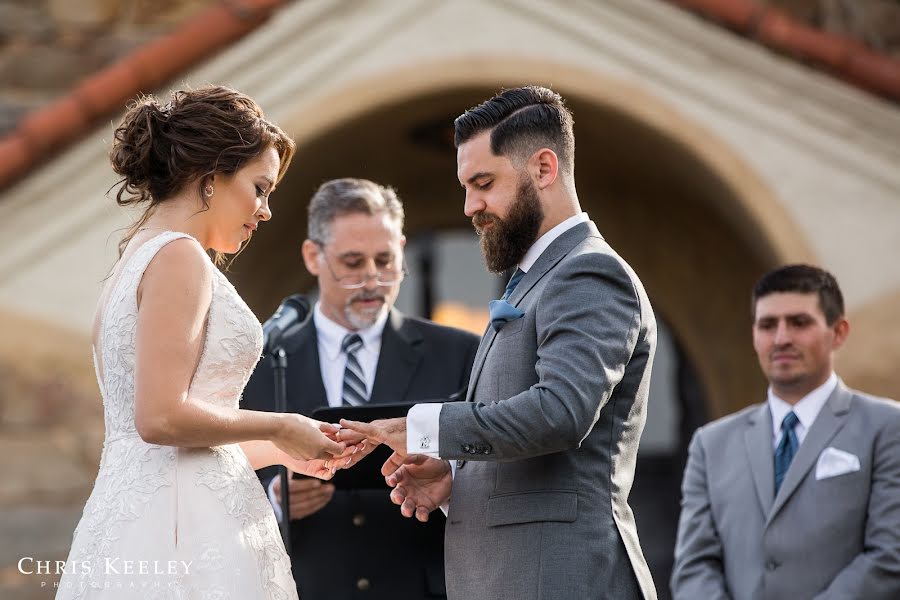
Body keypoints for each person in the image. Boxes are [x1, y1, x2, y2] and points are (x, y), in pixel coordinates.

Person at [343, 86, 659, 600]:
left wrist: (422, 428)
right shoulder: (537, 277)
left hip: (563, 579)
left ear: (543, 168)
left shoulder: (588, 273)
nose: (470, 206)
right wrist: (457, 480)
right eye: (466, 187)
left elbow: (560, 412)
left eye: (483, 183)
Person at [57, 86, 365, 600]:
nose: (265, 211)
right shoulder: (179, 257)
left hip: (149, 514)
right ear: (212, 177)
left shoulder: (134, 259)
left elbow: (180, 444)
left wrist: (288, 452)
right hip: (182, 537)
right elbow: (159, 419)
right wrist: (282, 423)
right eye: (260, 187)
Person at [241, 178, 480, 599]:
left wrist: (448, 474)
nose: (372, 280)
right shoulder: (260, 361)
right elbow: (221, 471)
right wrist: (274, 499)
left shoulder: (461, 353)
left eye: (386, 261)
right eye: (353, 262)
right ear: (313, 257)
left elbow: (494, 466)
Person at [670, 264, 900, 600]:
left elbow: (890, 555)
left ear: (838, 332)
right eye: (767, 325)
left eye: (799, 322)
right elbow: (693, 567)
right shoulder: (711, 444)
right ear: (753, 335)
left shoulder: (887, 427)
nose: (781, 338)